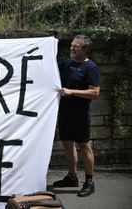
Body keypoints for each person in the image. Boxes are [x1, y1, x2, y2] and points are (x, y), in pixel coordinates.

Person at [53, 35, 101, 197]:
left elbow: (95, 92)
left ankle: (89, 181)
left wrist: (71, 91)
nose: (72, 48)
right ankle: (72, 177)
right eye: (72, 45)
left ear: (85, 49)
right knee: (67, 145)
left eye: (77, 47)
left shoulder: (91, 68)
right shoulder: (67, 64)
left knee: (84, 147)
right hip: (65, 113)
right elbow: (48, 66)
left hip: (80, 115)